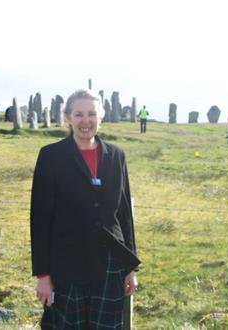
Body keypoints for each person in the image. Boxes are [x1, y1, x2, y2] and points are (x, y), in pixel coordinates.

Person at [30, 89, 141, 329]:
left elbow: (123, 214)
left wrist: (129, 267)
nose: (85, 121)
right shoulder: (51, 156)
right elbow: (40, 220)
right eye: (78, 114)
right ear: (68, 118)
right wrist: (43, 277)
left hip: (108, 261)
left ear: (101, 117)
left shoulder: (116, 156)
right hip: (67, 263)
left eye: (92, 113)